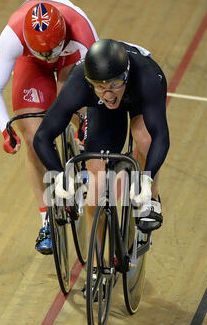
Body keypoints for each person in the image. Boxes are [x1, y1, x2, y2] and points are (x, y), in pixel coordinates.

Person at [0, 0, 98, 254]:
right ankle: (47, 221)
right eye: (42, 52)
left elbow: (99, 88)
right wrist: (6, 129)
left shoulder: (81, 31)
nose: (48, 56)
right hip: (30, 64)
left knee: (81, 111)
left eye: (51, 50)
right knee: (34, 142)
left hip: (71, 58)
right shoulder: (13, 35)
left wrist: (87, 122)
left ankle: (82, 165)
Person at [33, 39, 170, 237]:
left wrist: (146, 179)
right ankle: (96, 264)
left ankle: (150, 199)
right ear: (90, 82)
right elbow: (42, 136)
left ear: (126, 75)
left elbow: (161, 136)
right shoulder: (78, 83)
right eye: (100, 86)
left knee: (144, 138)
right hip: (102, 110)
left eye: (114, 84)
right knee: (96, 178)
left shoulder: (147, 76)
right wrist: (60, 175)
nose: (108, 93)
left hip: (137, 98)